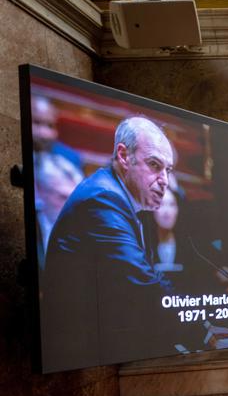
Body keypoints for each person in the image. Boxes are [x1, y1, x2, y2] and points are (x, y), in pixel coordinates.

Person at [42, 117, 188, 371]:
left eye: (168, 170)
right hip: (80, 359)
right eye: (154, 165)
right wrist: (199, 323)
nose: (164, 180)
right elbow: (142, 284)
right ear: (123, 155)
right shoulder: (104, 198)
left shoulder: (121, 198)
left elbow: (146, 276)